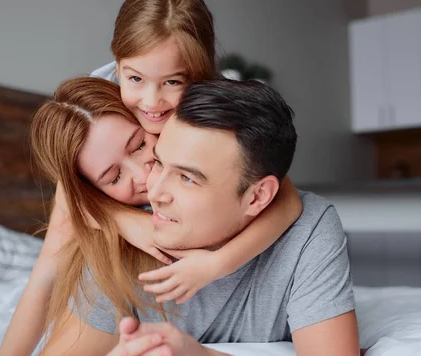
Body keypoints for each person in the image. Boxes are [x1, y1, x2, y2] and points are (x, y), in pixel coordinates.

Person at [42, 79, 360, 356]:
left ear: (258, 196)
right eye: (161, 163)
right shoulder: (118, 248)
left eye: (188, 178)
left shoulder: (309, 230)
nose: (153, 191)